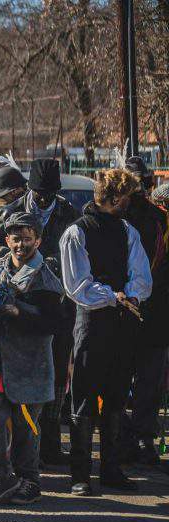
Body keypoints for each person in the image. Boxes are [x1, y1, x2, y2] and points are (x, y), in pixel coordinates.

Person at [60, 169, 152, 496]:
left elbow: (141, 274)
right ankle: (80, 475)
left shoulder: (128, 231)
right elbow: (77, 285)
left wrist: (131, 294)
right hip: (91, 323)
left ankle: (111, 469)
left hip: (122, 323)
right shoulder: (76, 233)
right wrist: (113, 296)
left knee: (116, 397)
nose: (130, 203)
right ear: (114, 199)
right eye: (126, 197)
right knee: (84, 397)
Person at [0, 159, 80, 467]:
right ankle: (20, 455)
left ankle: (50, 444)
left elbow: (80, 254)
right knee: (14, 383)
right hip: (15, 298)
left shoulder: (68, 213)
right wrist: (13, 256)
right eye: (38, 192)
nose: (43, 198)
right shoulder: (11, 211)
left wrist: (52, 264)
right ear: (30, 189)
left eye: (49, 193)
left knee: (53, 374)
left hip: (58, 300)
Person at [0, 212, 64, 506]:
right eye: (15, 237)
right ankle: (1, 474)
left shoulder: (47, 277)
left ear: (37, 239)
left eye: (27, 238)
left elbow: (53, 324)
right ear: (7, 239)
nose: (20, 244)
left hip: (30, 366)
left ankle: (29, 480)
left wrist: (18, 311)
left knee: (26, 428)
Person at [119, 157, 169, 468]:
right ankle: (122, 435)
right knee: (119, 377)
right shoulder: (111, 216)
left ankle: (142, 436)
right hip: (121, 309)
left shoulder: (160, 219)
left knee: (150, 380)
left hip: (155, 310)